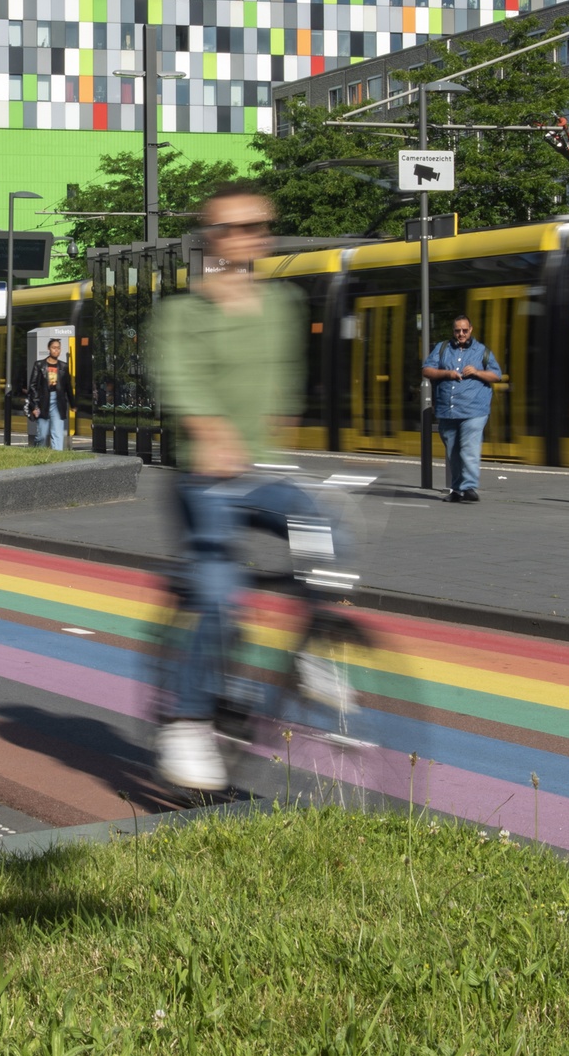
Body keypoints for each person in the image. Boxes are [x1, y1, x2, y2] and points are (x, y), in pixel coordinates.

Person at [147, 179, 321, 793]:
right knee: (220, 596)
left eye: (255, 227)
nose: (243, 239)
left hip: (264, 474)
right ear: (209, 237)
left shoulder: (283, 306)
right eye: (229, 228)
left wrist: (284, 441)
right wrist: (211, 430)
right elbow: (182, 385)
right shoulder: (182, 314)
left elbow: (287, 388)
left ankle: (315, 645)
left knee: (322, 533)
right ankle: (188, 723)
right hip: (206, 479)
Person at [423, 313, 504, 502]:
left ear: (471, 330)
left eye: (464, 330)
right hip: (447, 410)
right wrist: (447, 373)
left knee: (468, 448)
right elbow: (426, 370)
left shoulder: (482, 351)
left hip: (474, 410)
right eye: (457, 330)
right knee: (452, 451)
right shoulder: (442, 348)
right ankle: (458, 490)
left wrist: (477, 372)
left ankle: (468, 487)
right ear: (453, 331)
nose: (461, 334)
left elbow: (496, 375)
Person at [24, 337, 72, 451]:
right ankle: (36, 451)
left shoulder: (63, 366)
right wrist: (35, 406)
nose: (57, 350)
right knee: (42, 434)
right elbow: (33, 386)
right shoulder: (39, 365)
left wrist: (72, 403)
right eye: (54, 348)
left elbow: (68, 387)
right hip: (43, 401)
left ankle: (57, 457)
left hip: (58, 401)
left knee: (58, 433)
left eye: (58, 348)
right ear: (49, 349)